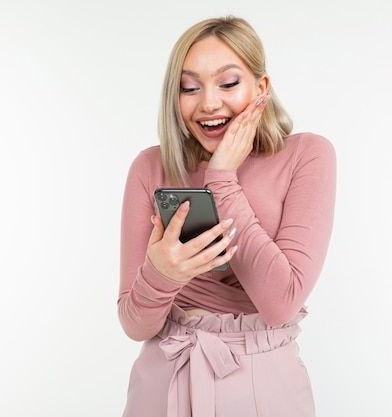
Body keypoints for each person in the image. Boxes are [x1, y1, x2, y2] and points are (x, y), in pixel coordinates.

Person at [118, 15, 336, 417]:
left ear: (261, 87)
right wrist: (163, 272)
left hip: (264, 385)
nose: (208, 103)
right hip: (165, 378)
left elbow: (280, 302)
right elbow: (134, 325)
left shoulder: (307, 155)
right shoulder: (149, 167)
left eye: (229, 82)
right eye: (189, 87)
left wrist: (221, 177)